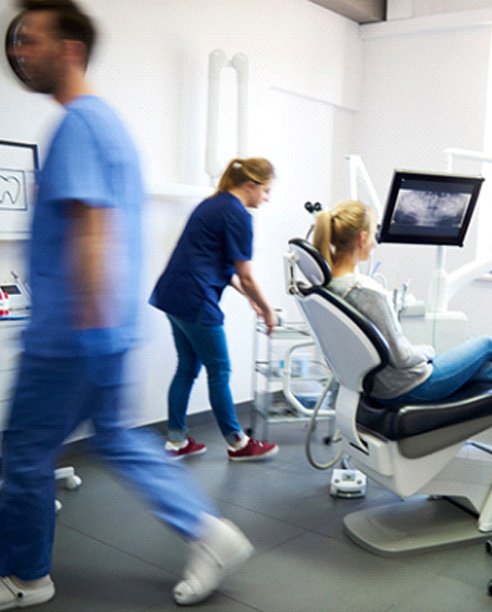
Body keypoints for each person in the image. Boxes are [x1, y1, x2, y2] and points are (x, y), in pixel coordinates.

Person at [0, 1, 252, 608]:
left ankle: (27, 577)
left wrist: (84, 327)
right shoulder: (104, 122)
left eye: (30, 40)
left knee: (23, 453)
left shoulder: (79, 124)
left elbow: (92, 227)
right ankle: (211, 532)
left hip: (73, 333)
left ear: (70, 49)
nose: (17, 51)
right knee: (115, 438)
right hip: (105, 328)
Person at [312, 200, 492, 404]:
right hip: (410, 386)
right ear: (361, 238)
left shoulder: (329, 287)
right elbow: (402, 357)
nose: (375, 241)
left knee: (485, 370)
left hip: (382, 384)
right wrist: (428, 351)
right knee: (485, 346)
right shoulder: (365, 291)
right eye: (374, 234)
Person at [150, 158, 279, 461]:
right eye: (266, 190)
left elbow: (212, 260)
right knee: (219, 370)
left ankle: (176, 441)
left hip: (173, 294)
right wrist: (267, 308)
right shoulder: (237, 214)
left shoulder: (213, 204)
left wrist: (246, 295)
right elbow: (245, 273)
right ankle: (238, 443)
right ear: (250, 185)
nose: (267, 198)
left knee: (187, 367)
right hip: (195, 298)